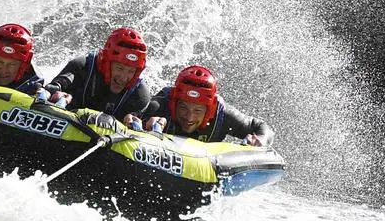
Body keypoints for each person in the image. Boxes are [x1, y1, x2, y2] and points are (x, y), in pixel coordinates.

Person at [137, 65, 274, 145]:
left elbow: (261, 126)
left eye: (198, 110)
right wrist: (144, 122)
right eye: (183, 107)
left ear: (209, 110)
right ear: (174, 103)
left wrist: (260, 139)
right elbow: (129, 117)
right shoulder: (158, 106)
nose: (190, 117)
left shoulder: (221, 115)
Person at [44, 27, 151, 121]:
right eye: (120, 68)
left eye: (130, 71)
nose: (123, 77)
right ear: (106, 63)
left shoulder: (140, 94)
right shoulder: (81, 66)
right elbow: (52, 87)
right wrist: (55, 93)